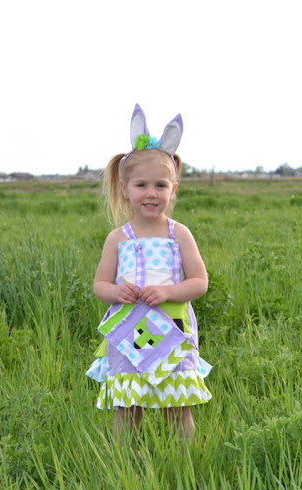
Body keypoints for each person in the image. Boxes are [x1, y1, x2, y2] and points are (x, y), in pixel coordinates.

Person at [87, 104, 211, 442]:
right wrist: (116, 293)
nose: (151, 193)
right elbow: (100, 285)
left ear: (173, 189)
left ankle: (185, 463)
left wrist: (169, 292)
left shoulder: (178, 234)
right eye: (141, 185)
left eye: (160, 185)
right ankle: (125, 463)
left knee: (178, 405)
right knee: (127, 405)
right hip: (129, 333)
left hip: (173, 329)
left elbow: (200, 282)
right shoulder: (118, 238)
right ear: (125, 188)